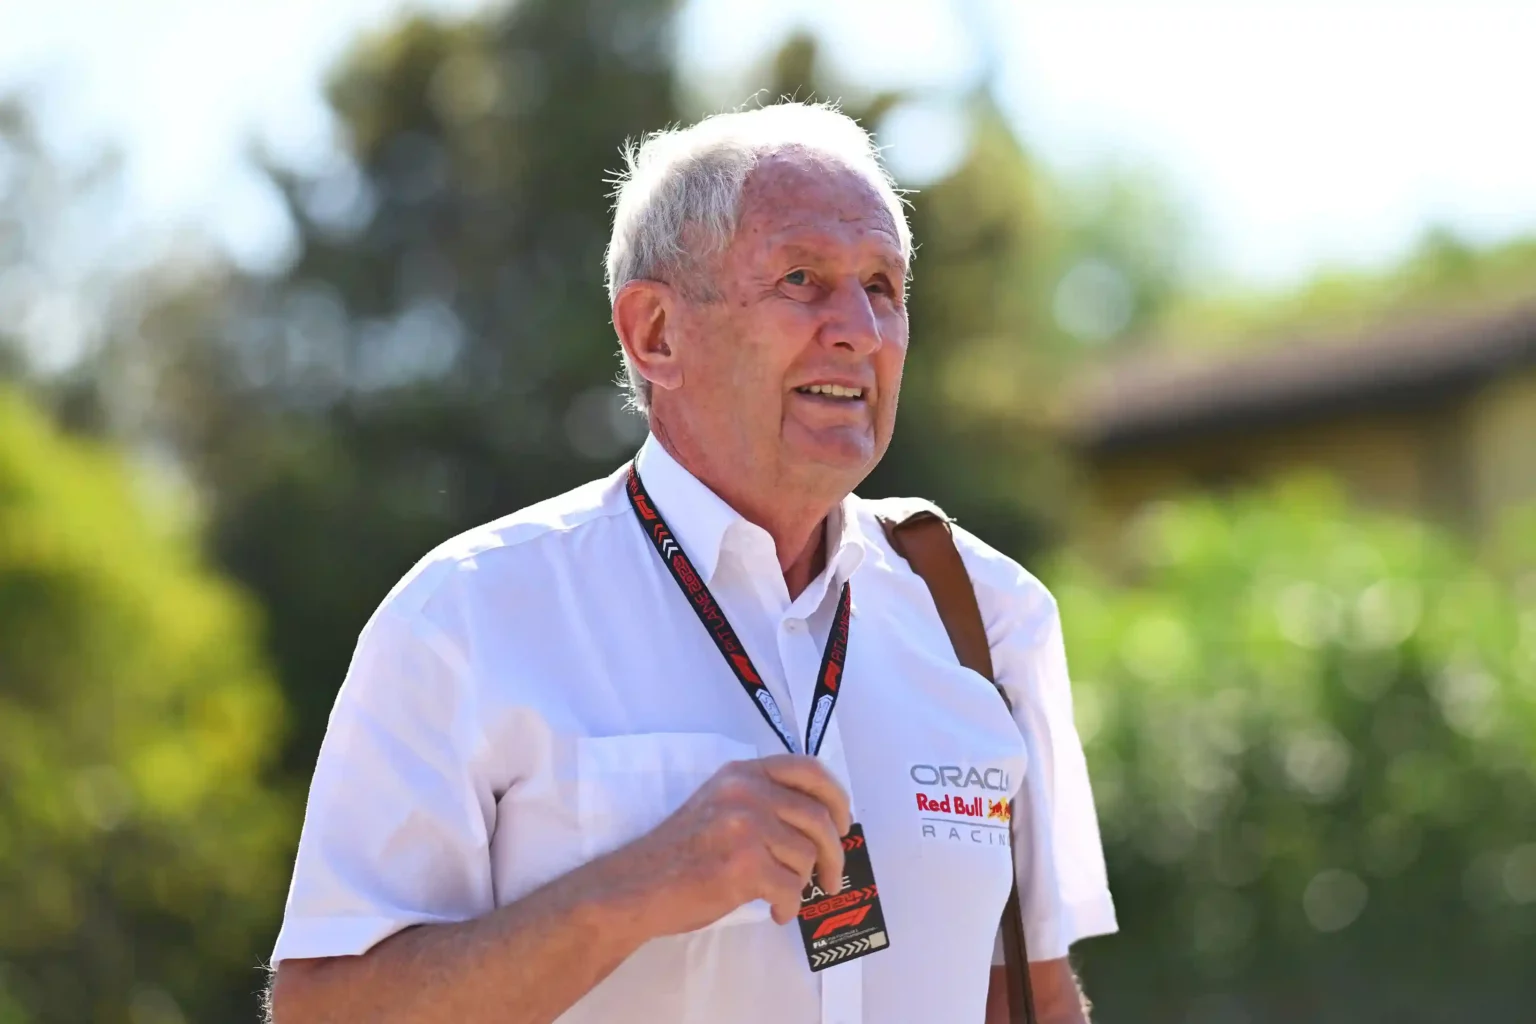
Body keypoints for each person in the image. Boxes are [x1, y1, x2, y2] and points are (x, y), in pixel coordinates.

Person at [266, 101, 1116, 1024]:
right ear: (656, 335)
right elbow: (324, 1011)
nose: (861, 331)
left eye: (883, 286)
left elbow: (1031, 1000)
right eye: (802, 279)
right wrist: (633, 890)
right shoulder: (464, 619)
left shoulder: (988, 618)